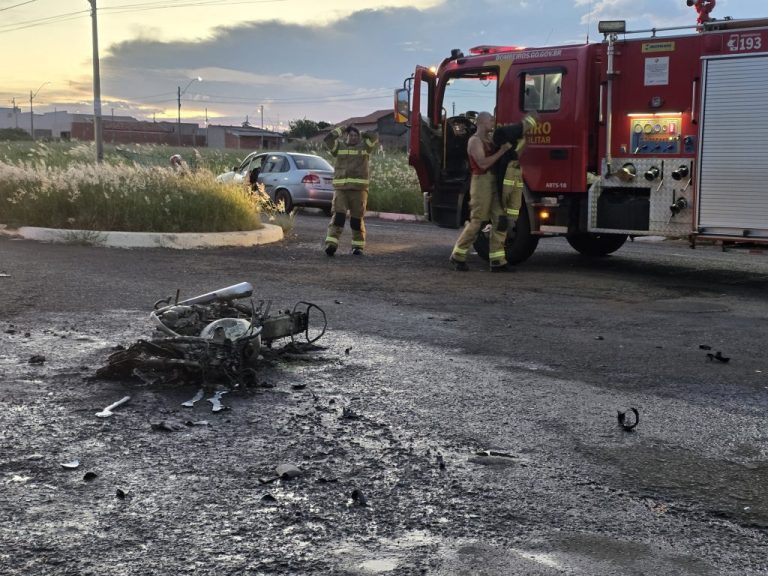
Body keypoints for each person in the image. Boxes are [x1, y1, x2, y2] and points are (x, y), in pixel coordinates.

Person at [449, 112, 513, 272]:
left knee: (500, 219)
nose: (493, 121)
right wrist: (502, 151)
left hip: (494, 182)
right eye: (491, 119)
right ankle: (457, 255)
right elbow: (483, 164)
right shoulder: (474, 141)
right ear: (482, 122)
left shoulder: (488, 140)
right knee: (478, 221)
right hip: (481, 182)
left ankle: (498, 260)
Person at [323, 124, 378, 256]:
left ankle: (357, 246)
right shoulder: (339, 147)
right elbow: (328, 139)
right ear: (346, 136)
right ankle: (331, 244)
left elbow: (374, 137)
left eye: (355, 136)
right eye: (351, 135)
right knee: (339, 217)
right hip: (341, 189)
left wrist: (362, 132)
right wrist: (342, 129)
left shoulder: (365, 147)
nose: (353, 138)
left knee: (356, 219)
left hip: (359, 191)